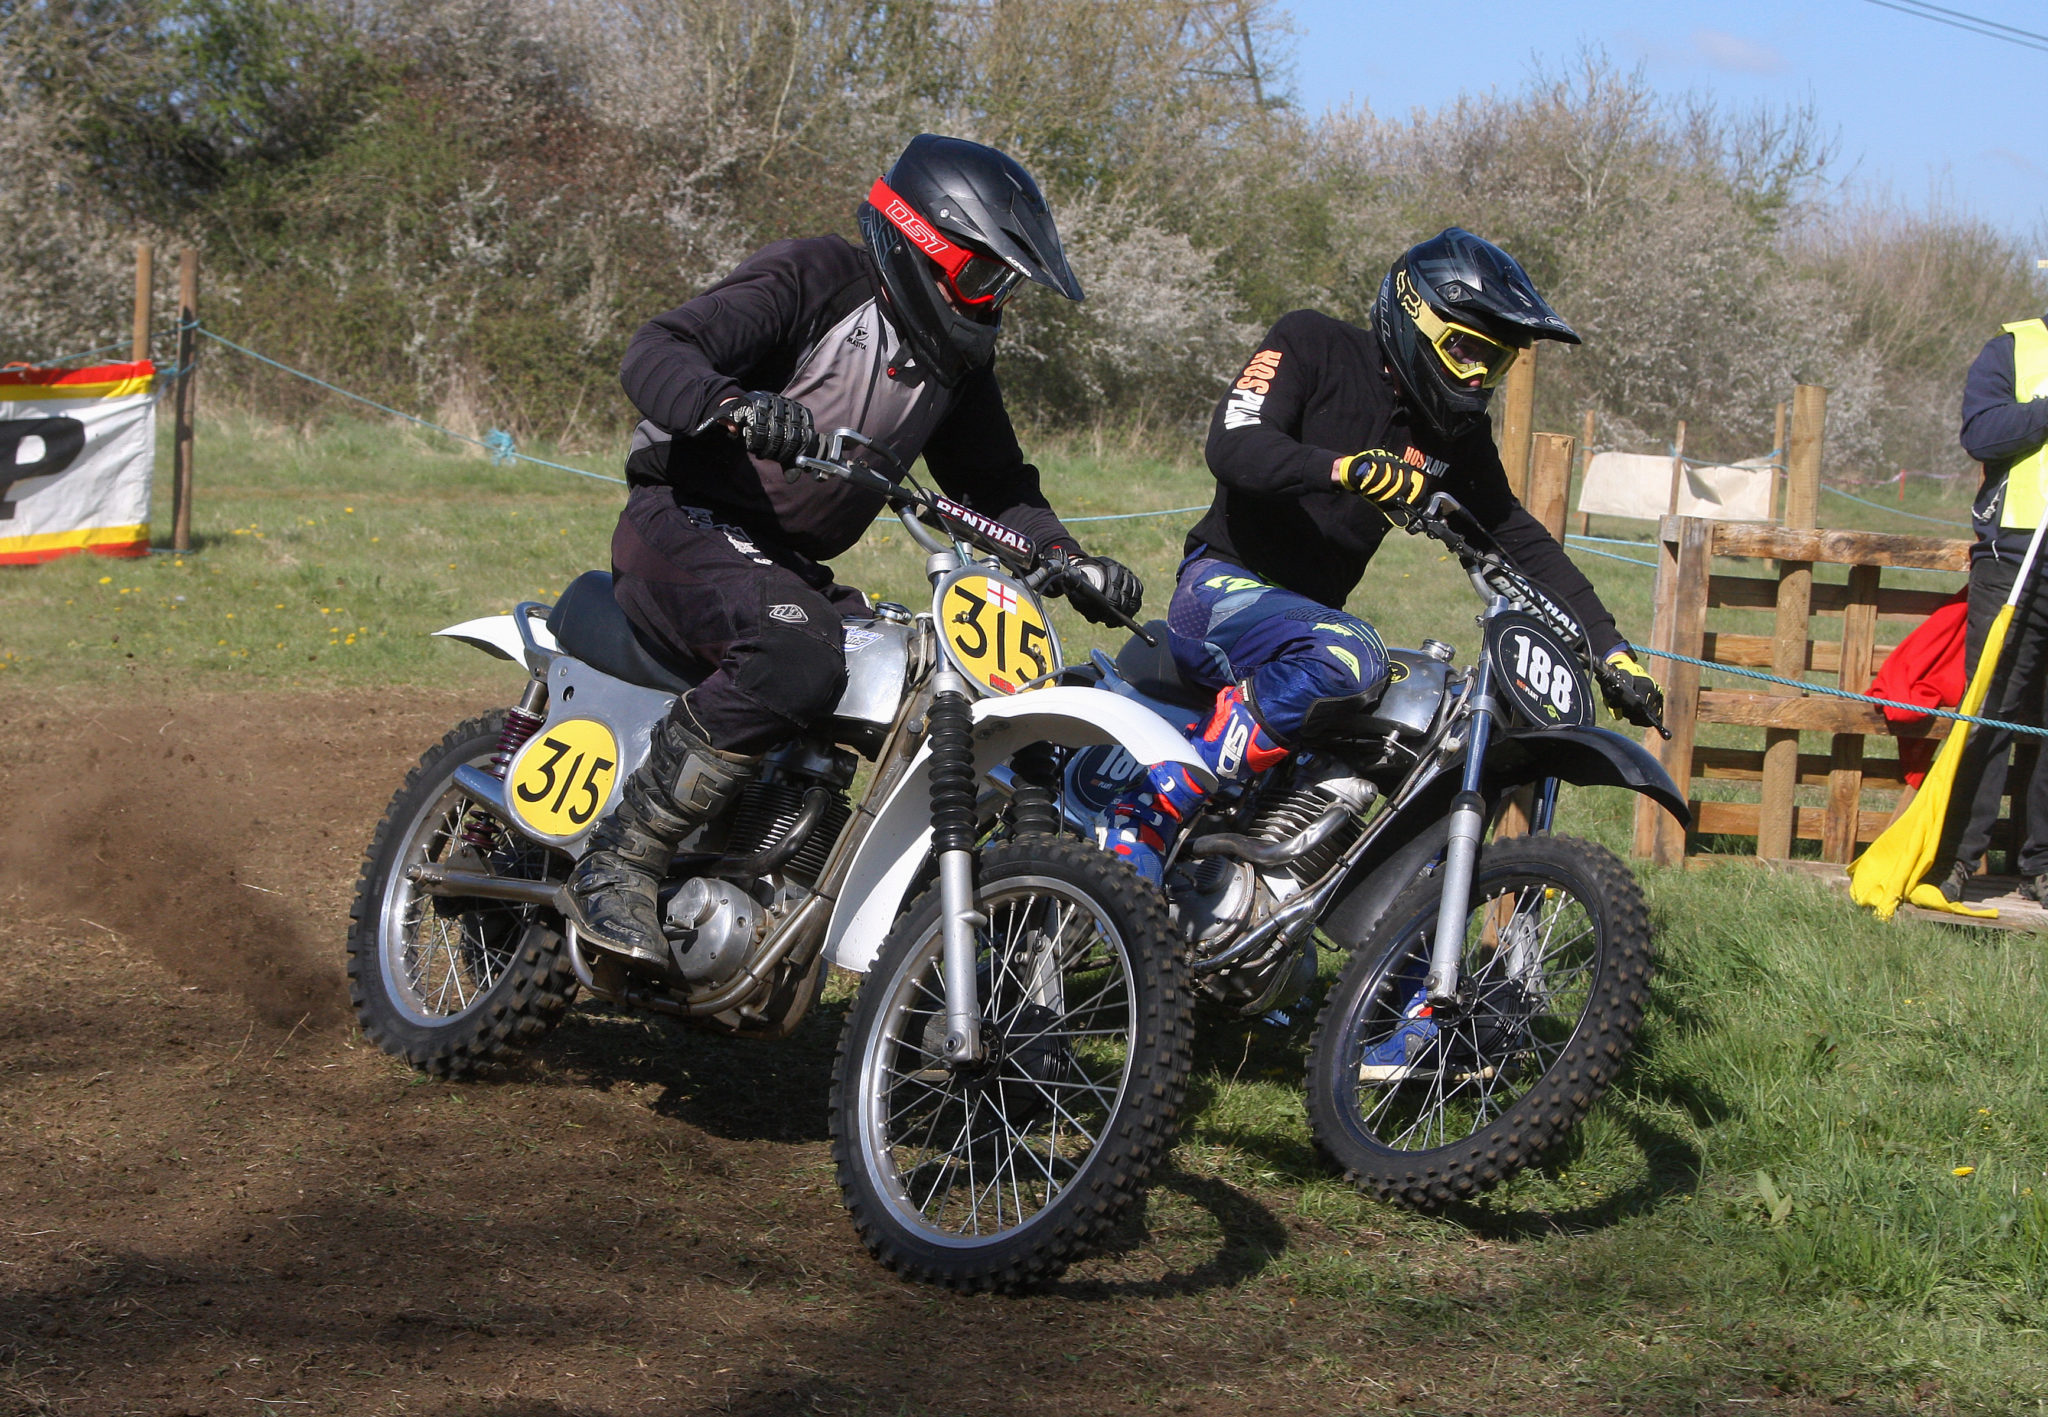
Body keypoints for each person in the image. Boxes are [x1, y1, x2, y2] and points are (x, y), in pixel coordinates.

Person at [564, 133, 1144, 963]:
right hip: (683, 516)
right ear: (925, 243)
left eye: (1003, 287)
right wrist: (732, 406)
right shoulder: (816, 277)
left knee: (922, 670)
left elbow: (997, 483)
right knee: (797, 652)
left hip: (785, 562)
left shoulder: (957, 369)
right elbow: (656, 349)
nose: (991, 303)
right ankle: (620, 857)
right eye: (984, 276)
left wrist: (1065, 555)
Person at [1103, 227, 1665, 886]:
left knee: (1425, 719)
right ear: (1411, 314)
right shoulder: (1311, 341)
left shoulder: (1455, 436)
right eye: (1466, 352)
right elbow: (1234, 443)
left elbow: (1516, 535)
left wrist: (1608, 647)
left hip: (1306, 628)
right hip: (1219, 591)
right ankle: (1151, 806)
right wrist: (1343, 469)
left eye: (1497, 363)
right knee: (1352, 655)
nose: (1480, 376)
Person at [1929, 308, 2048, 905]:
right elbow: (1983, 434)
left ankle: (2042, 867)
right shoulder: (2013, 348)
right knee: (1990, 711)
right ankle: (1954, 858)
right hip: (2014, 559)